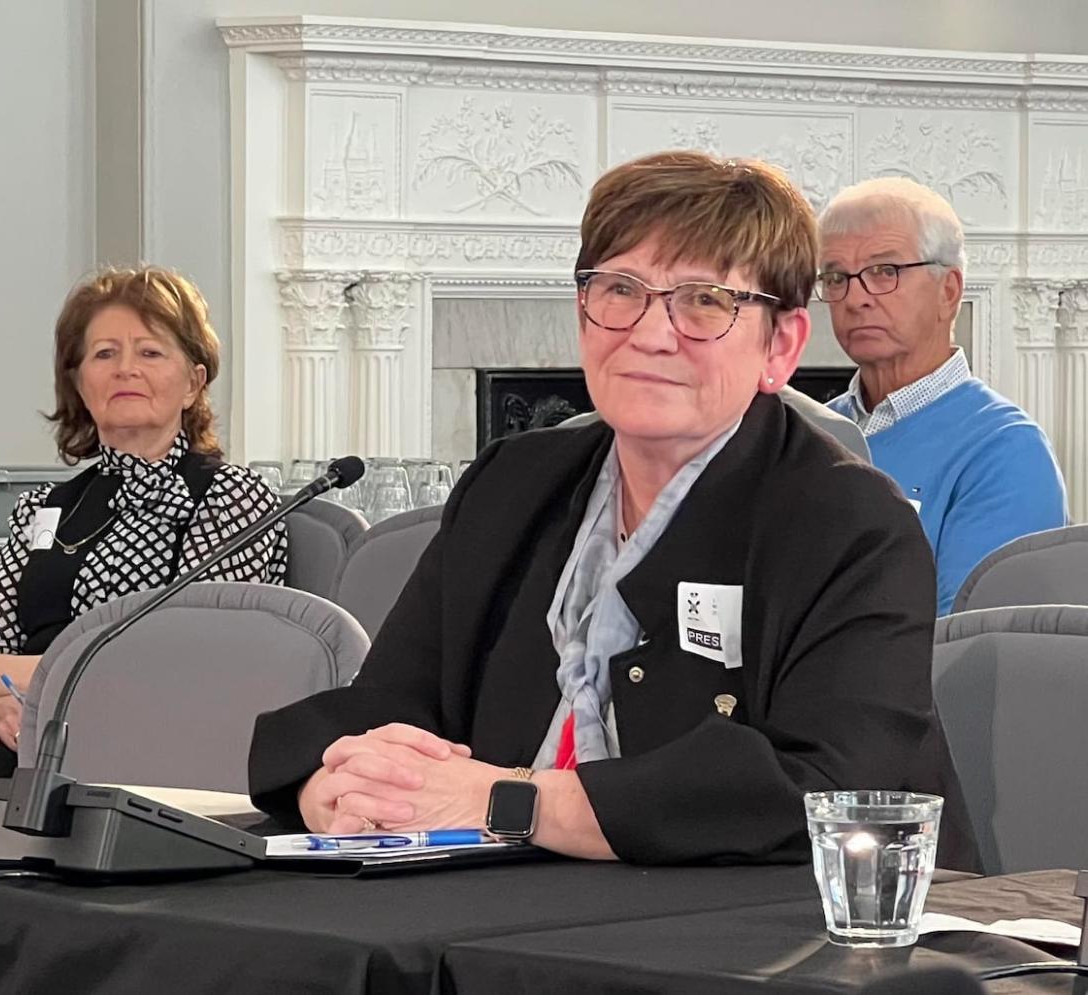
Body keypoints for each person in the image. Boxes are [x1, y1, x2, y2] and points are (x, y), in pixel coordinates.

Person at [248, 152, 980, 871]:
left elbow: (825, 790)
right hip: (500, 913)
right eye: (621, 289)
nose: (650, 332)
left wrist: (514, 801)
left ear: (780, 346)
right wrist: (334, 786)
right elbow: (386, 704)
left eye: (705, 301)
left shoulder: (852, 523)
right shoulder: (512, 484)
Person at [0, 266, 287, 775]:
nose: (125, 369)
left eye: (150, 352)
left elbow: (188, 658)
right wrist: (1, 699)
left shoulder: (230, 495)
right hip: (22, 713)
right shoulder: (46, 506)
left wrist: (13, 675)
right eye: (104, 354)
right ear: (81, 383)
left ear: (193, 383)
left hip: (144, 713)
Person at [818, 177, 1068, 614]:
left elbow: (963, 650)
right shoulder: (809, 430)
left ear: (949, 291)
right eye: (837, 277)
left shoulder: (1007, 450)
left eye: (884, 271)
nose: (855, 297)